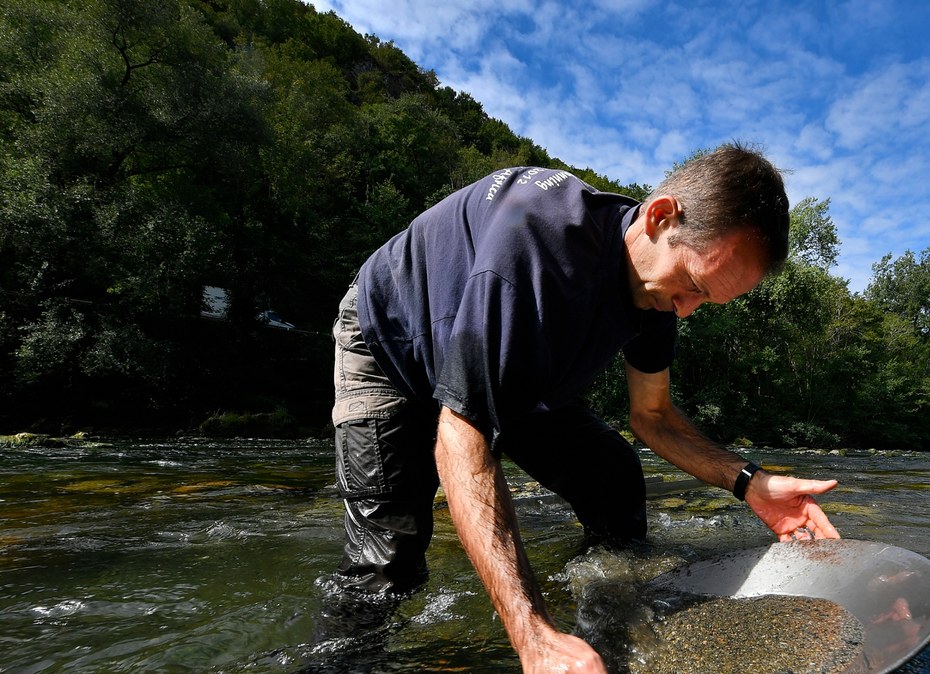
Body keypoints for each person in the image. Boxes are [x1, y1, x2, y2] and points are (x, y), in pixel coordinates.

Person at [329, 142, 841, 672]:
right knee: (388, 563)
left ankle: (605, 618)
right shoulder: (536, 246)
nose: (686, 312)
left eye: (707, 301)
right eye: (692, 285)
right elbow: (463, 437)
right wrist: (533, 637)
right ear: (660, 216)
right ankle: (342, 663)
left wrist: (750, 482)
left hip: (507, 360)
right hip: (389, 344)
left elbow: (654, 417)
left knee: (613, 476)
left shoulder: (656, 295)